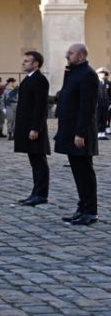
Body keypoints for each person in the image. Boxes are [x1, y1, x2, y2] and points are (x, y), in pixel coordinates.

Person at [55, 43, 100, 226]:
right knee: (77, 172)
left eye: (70, 54)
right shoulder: (73, 72)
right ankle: (82, 207)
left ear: (81, 56)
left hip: (80, 133)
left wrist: (80, 133)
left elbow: (87, 107)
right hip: (70, 131)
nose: (67, 56)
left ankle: (90, 211)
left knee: (85, 173)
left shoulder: (88, 74)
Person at [14, 50, 50, 207]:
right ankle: (35, 192)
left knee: (39, 162)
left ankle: (41, 194)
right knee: (34, 162)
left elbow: (40, 107)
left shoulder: (40, 80)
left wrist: (36, 128)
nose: (23, 63)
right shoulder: (28, 79)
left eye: (27, 61)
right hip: (26, 127)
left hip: (35, 129)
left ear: (36, 64)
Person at [97, 69, 110, 141]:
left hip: (105, 103)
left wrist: (109, 103)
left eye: (104, 73)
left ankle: (102, 133)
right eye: (101, 73)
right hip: (98, 104)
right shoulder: (95, 82)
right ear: (98, 74)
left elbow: (109, 94)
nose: (103, 75)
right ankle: (98, 133)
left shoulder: (107, 83)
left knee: (104, 119)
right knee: (98, 118)